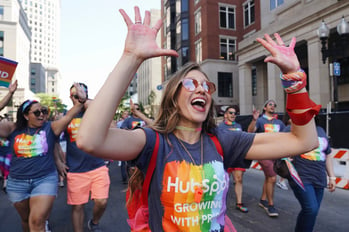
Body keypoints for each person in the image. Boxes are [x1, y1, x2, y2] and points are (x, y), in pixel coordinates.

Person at [76, 6, 319, 231]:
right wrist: (131, 57)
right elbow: (90, 140)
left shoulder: (223, 141)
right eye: (191, 83)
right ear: (173, 96)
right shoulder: (153, 142)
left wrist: (294, 79)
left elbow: (304, 142)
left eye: (207, 86)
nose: (202, 89)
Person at [0, 83, 86, 232]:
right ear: (26, 116)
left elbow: (71, 114)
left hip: (44, 180)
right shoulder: (12, 128)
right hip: (17, 183)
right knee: (26, 221)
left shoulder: (51, 127)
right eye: (37, 112)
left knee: (37, 221)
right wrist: (10, 94)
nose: (42, 115)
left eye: (44, 111)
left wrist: (81, 101)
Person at [63, 83, 110, 232]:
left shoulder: (93, 112)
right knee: (78, 206)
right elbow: (56, 139)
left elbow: (100, 109)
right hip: (76, 169)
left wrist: (85, 100)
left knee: (101, 201)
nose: (76, 98)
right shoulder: (67, 116)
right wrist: (59, 161)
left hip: (97, 166)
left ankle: (94, 222)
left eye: (79, 95)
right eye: (73, 96)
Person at [283, 115, 336, 232]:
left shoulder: (320, 130)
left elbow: (327, 155)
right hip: (301, 177)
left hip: (319, 178)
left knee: (313, 211)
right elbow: (279, 147)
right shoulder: (291, 129)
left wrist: (332, 177)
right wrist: (285, 157)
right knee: (310, 209)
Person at [247, 99, 285, 217]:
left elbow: (286, 136)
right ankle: (271, 205)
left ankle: (263, 200)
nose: (272, 106)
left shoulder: (279, 122)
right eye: (270, 104)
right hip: (263, 153)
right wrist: (254, 119)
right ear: (265, 108)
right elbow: (250, 131)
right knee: (272, 178)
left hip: (276, 154)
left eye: (274, 105)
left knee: (269, 177)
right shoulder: (260, 120)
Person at [218, 106, 248, 213]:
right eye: (231, 113)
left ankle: (239, 203)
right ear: (225, 115)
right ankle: (220, 203)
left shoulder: (239, 126)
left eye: (235, 113)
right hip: (227, 157)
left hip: (238, 157)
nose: (233, 115)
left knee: (238, 179)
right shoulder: (220, 127)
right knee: (224, 181)